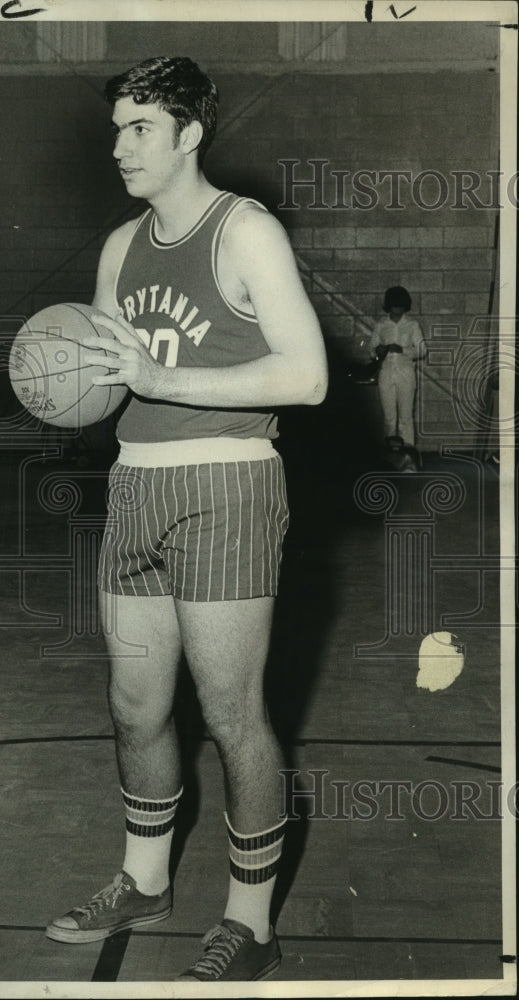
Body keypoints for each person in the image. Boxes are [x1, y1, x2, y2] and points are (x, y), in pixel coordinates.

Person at [45, 55, 328, 982]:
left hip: (228, 483)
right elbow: (97, 376)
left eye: (139, 129)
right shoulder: (121, 248)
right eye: (116, 128)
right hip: (137, 484)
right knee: (134, 706)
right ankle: (143, 878)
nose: (119, 146)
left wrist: (166, 381)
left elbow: (307, 375)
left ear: (189, 133)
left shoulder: (244, 233)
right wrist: (52, 379)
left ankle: (250, 919)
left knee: (231, 710)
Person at [369, 285, 425, 450]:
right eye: (395, 305)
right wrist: (377, 350)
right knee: (389, 418)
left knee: (406, 418)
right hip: (386, 375)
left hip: (406, 376)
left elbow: (422, 350)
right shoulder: (381, 325)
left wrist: (402, 350)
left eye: (401, 305)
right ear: (389, 306)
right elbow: (371, 350)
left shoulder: (412, 325)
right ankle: (391, 453)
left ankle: (408, 453)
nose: (398, 309)